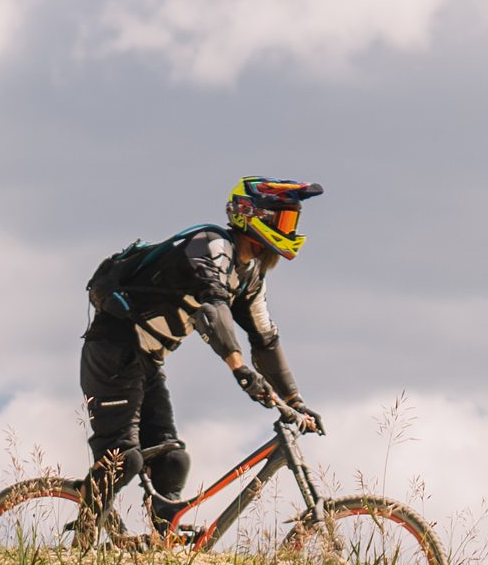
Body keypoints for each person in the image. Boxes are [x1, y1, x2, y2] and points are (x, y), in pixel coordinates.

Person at [79, 176, 327, 535]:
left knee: (173, 460)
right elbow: (211, 311)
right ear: (251, 215)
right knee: (124, 458)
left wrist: (295, 399)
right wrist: (239, 368)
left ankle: (164, 538)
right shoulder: (211, 245)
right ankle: (82, 538)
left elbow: (266, 340)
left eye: (293, 222)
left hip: (147, 361)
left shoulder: (249, 276)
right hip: (112, 351)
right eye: (283, 221)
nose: (289, 230)